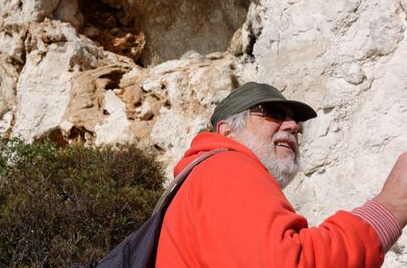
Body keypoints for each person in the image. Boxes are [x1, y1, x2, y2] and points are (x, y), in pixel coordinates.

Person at [155, 82, 406, 267]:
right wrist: (392, 206)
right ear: (227, 131)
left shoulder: (197, 182)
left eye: (297, 123)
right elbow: (287, 262)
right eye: (273, 113)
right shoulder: (226, 166)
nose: (293, 126)